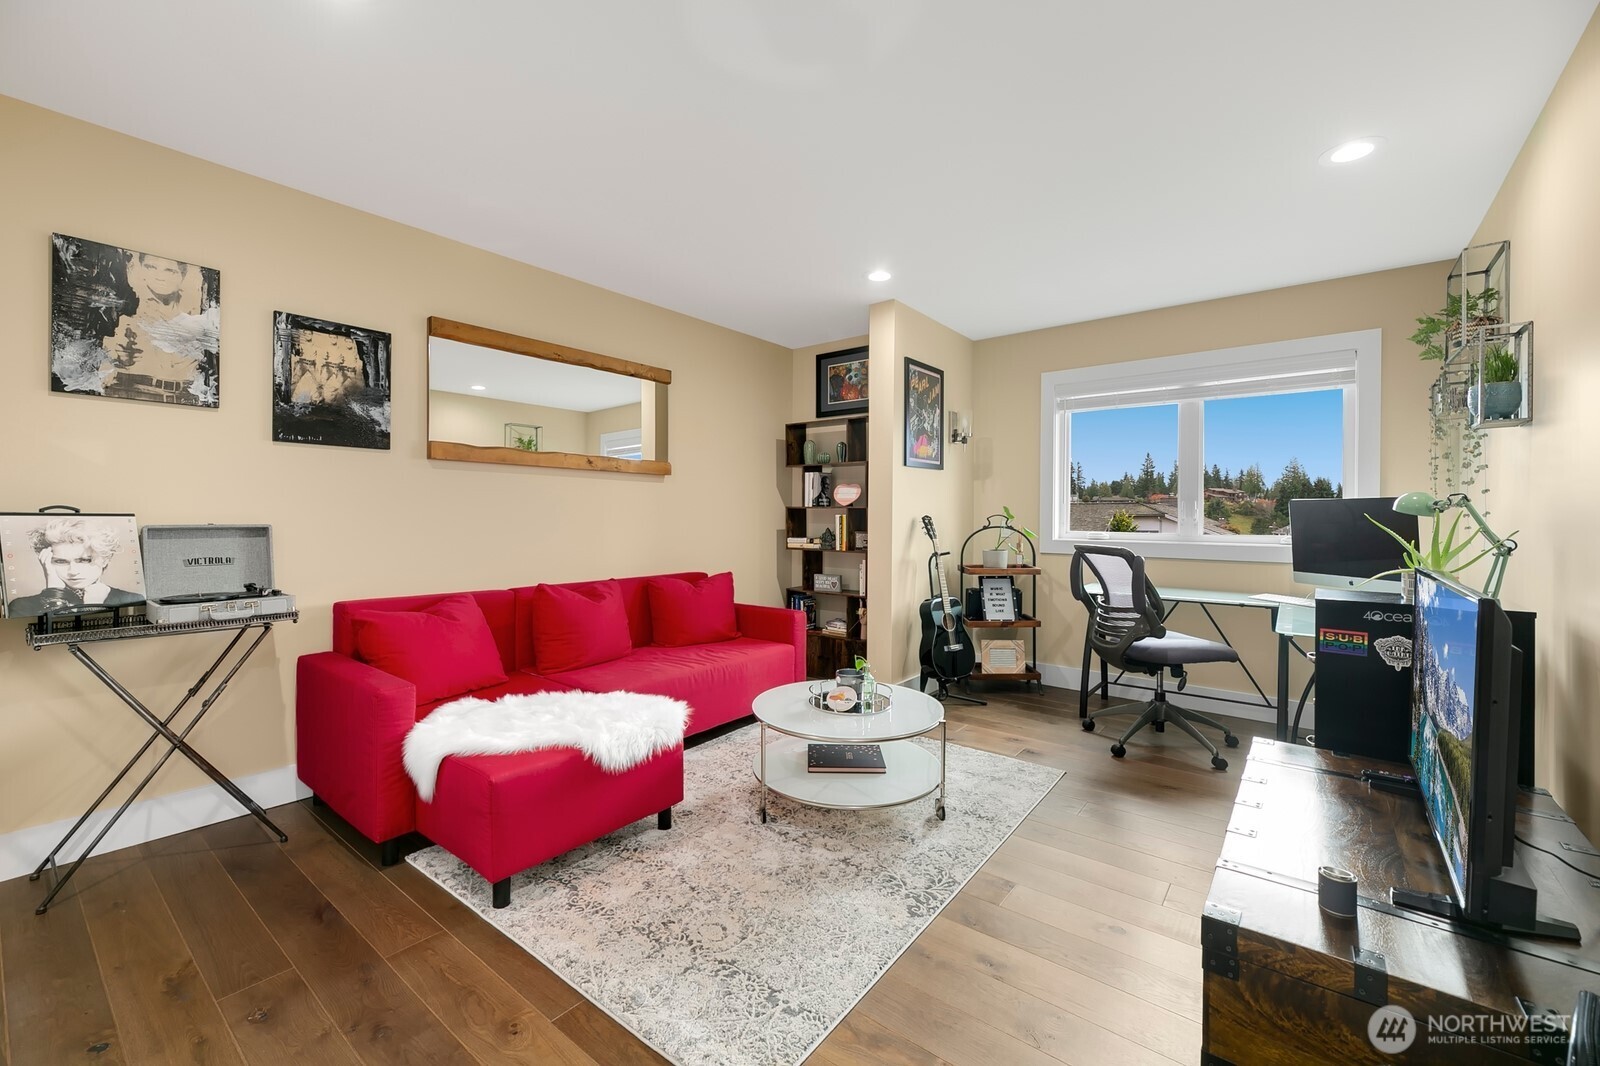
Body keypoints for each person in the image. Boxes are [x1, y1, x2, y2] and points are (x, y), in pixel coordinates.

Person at [5, 519, 143, 616]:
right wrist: (55, 593)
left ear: (105, 559)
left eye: (84, 560)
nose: (73, 571)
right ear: (46, 561)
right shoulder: (21, 606)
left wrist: (93, 606)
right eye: (60, 561)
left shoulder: (131, 600)